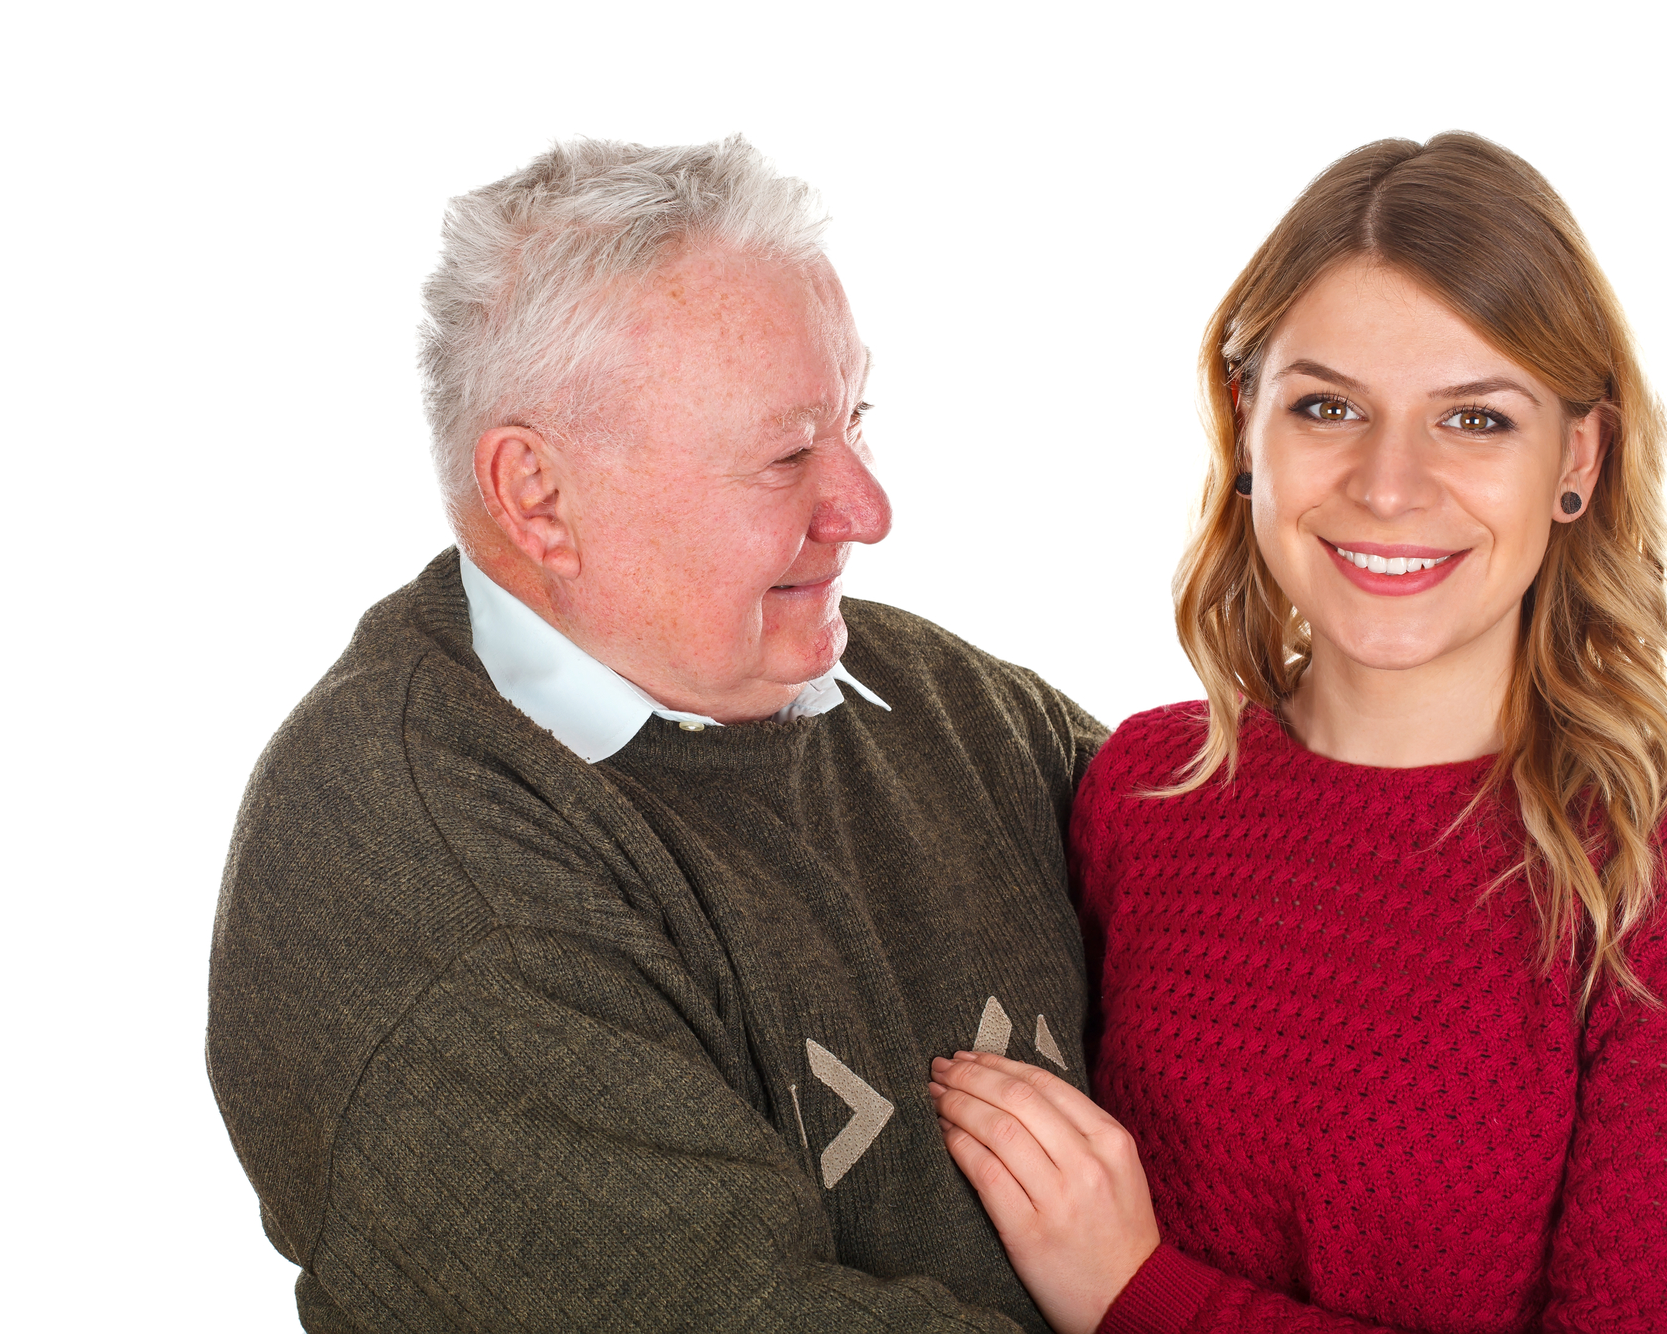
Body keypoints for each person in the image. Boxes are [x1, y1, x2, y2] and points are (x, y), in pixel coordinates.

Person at [208, 136, 1106, 1333]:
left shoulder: (936, 697)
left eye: (855, 421)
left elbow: (1307, 907)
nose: (868, 509)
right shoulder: (412, 863)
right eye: (786, 455)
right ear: (538, 498)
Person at [929, 133, 1667, 1333]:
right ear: (1246, 428)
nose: (1388, 483)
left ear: (1577, 457)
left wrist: (1135, 1293)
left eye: (1474, 420)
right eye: (1327, 405)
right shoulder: (1142, 789)